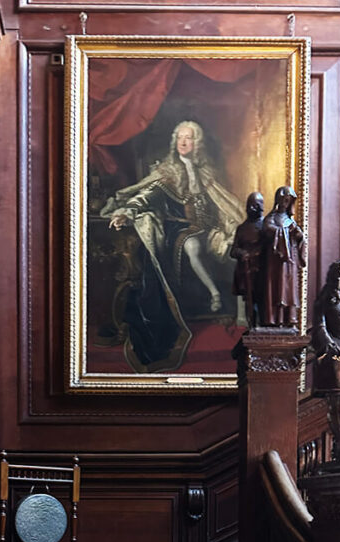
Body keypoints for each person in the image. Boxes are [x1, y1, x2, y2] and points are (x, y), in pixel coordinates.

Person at [100, 120, 244, 369]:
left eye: (188, 138)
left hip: (206, 227)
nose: (183, 142)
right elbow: (145, 195)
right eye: (180, 138)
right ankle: (214, 293)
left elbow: (222, 201)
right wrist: (128, 211)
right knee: (191, 247)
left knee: (233, 245)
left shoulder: (206, 172)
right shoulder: (167, 172)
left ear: (196, 143)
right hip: (179, 227)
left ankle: (234, 308)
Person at [311, 258, 340, 456]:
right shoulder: (325, 301)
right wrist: (329, 344)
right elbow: (319, 326)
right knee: (335, 403)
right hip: (334, 355)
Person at [260, 185, 306, 327]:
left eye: (289, 201)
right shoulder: (271, 218)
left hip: (290, 261)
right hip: (276, 261)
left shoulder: (290, 220)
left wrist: (298, 235)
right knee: (276, 289)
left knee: (288, 290)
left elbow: (300, 238)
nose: (286, 203)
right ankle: (275, 319)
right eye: (284, 200)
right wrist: (284, 232)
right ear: (278, 200)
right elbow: (268, 229)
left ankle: (289, 318)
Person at [230, 191, 265, 330]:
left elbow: (269, 249)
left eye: (257, 205)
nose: (254, 208)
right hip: (245, 272)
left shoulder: (267, 226)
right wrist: (242, 253)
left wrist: (255, 254)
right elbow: (233, 251)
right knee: (250, 305)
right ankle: (252, 330)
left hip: (262, 272)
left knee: (262, 304)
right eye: (251, 205)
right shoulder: (242, 228)